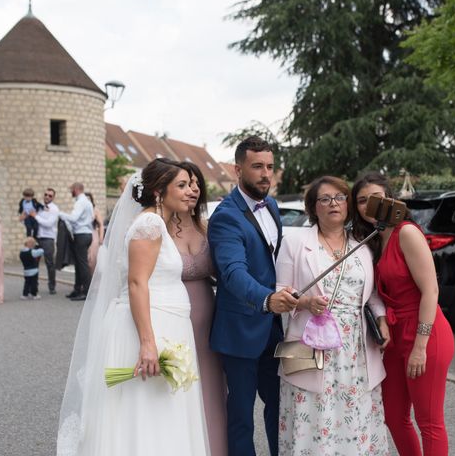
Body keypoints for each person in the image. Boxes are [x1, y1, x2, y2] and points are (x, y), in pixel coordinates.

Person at [57, 160, 209, 456]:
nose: (189, 191)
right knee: (148, 414)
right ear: (158, 192)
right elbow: (137, 283)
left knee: (160, 413)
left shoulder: (157, 223)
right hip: (152, 328)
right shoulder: (149, 224)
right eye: (180, 185)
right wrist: (148, 344)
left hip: (168, 325)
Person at [276, 176, 390, 455]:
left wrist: (382, 321)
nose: (333, 204)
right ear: (313, 207)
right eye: (324, 199)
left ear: (348, 205)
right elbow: (279, 294)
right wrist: (304, 302)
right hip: (309, 342)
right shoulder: (294, 242)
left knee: (355, 418)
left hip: (356, 350)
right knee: (312, 416)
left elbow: (372, 294)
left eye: (339, 198)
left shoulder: (362, 245)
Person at [351, 172, 455, 456]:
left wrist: (420, 346)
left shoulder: (406, 232)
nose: (369, 205)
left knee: (429, 422)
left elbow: (431, 292)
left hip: (425, 332)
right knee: (394, 416)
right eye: (362, 200)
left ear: (391, 199)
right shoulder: (373, 239)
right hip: (395, 336)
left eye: (377, 198)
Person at [208, 136, 298, 456]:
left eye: (270, 167)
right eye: (257, 166)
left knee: (281, 408)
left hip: (277, 329)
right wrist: (266, 299)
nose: (265, 174)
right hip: (240, 330)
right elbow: (233, 273)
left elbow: (275, 262)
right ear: (238, 169)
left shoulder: (272, 205)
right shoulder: (225, 216)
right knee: (241, 416)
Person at [174, 160, 227, 456]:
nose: (192, 189)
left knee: (210, 389)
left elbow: (223, 272)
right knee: (180, 388)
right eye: (185, 184)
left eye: (196, 183)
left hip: (209, 318)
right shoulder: (157, 228)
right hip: (172, 317)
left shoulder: (206, 227)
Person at [59, 183, 94, 301]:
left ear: (76, 189)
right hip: (86, 234)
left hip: (81, 235)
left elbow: (74, 218)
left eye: (71, 190)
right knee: (79, 264)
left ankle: (86, 291)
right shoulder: (87, 202)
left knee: (82, 264)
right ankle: (78, 289)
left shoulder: (80, 202)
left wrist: (60, 213)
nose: (71, 192)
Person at [33, 188, 59, 295]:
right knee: (34, 262)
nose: (47, 197)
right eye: (46, 194)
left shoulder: (54, 209)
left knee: (50, 263)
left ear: (53, 197)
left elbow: (49, 224)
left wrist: (36, 217)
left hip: (48, 238)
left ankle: (52, 286)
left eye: (50, 195)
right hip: (37, 238)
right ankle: (34, 286)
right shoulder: (38, 207)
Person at [85, 192, 104, 275]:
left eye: (88, 199)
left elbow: (101, 225)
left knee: (92, 259)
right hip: (83, 234)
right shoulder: (81, 210)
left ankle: (92, 279)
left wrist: (101, 238)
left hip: (93, 235)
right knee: (85, 259)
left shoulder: (95, 210)